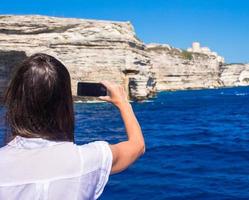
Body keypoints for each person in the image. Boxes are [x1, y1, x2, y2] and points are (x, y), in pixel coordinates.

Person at [0, 53, 145, 199]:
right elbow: (137, 146)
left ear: (15, 99)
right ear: (65, 103)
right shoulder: (88, 160)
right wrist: (123, 103)